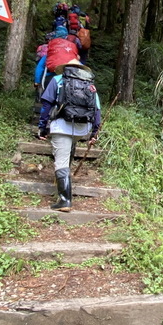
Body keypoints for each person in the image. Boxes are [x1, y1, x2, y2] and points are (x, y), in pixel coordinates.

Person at [37, 59, 101, 212]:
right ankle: (63, 182)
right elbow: (97, 110)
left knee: (61, 161)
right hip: (82, 128)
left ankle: (65, 200)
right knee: (69, 147)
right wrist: (94, 132)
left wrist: (42, 127)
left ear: (65, 68)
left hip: (62, 125)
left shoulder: (58, 80)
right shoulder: (89, 84)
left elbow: (46, 105)